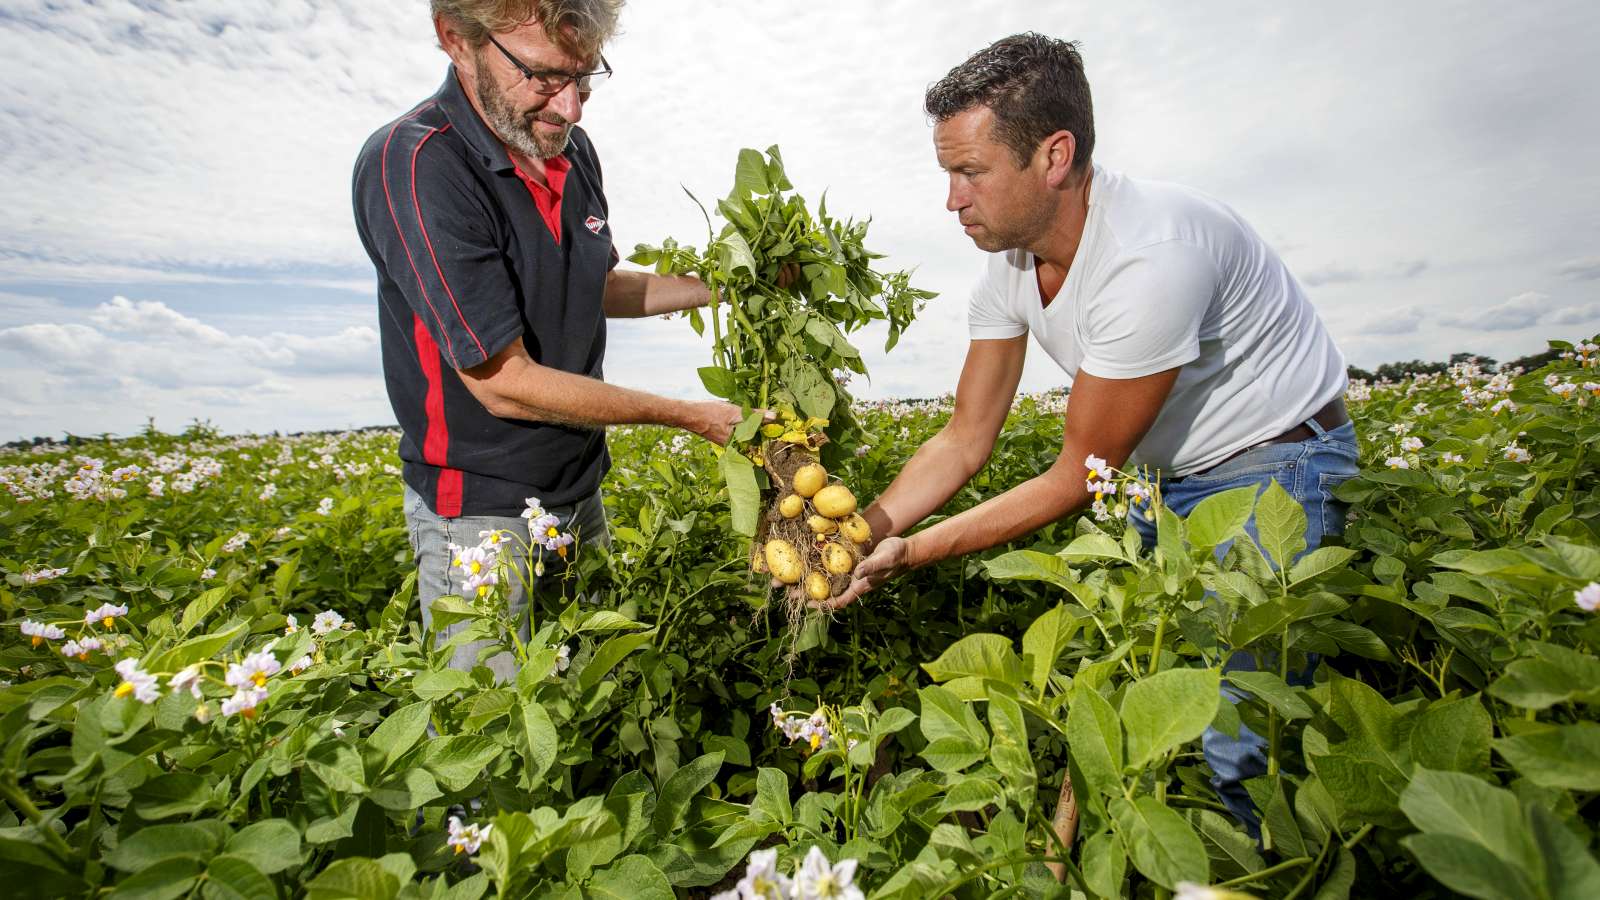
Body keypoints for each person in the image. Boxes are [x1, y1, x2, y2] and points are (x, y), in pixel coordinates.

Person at [825, 33, 1359, 836]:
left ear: (1054, 155)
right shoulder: (1008, 267)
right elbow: (964, 439)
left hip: (1276, 464)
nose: (952, 201)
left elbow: (1077, 473)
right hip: (1158, 476)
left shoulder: (1149, 257)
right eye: (948, 174)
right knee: (1135, 692)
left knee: (1243, 738)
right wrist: (860, 528)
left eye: (969, 173)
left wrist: (911, 551)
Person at [351, 0, 743, 680]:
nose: (571, 108)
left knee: (592, 697)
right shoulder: (417, 166)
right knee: (492, 735)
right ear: (455, 39)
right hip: (478, 511)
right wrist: (689, 415)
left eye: (585, 79)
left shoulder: (569, 150)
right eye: (543, 77)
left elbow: (597, 283)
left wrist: (729, 281)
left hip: (577, 489)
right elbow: (503, 382)